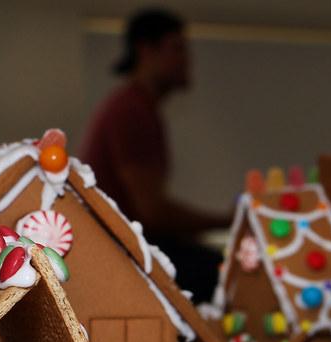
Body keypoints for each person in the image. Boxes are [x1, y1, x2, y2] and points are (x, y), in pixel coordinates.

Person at [79, 8, 229, 301]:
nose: (187, 59)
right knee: (221, 274)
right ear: (146, 50)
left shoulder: (136, 108)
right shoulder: (130, 111)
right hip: (119, 254)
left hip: (123, 247)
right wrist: (225, 221)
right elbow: (152, 213)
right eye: (177, 48)